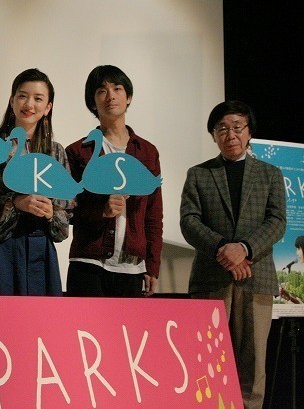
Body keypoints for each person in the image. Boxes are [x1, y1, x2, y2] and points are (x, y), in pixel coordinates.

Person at [180, 100, 286, 408]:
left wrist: (245, 249)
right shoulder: (199, 174)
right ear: (214, 135)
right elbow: (189, 220)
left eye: (237, 127)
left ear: (249, 132)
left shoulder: (270, 174)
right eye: (222, 128)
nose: (230, 135)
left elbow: (277, 220)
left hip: (257, 277)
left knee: (253, 364)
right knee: (208, 359)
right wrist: (222, 249)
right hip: (211, 277)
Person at [65, 65, 163, 297]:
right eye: (101, 91)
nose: (110, 96)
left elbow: (153, 214)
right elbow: (68, 210)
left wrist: (152, 266)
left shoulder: (147, 152)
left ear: (128, 97)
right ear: (92, 102)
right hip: (88, 262)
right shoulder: (78, 151)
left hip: (131, 267)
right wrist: (102, 211)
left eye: (117, 89)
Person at [0, 68, 71, 296]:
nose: (29, 104)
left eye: (38, 98)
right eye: (22, 96)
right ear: (12, 100)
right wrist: (15, 204)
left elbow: (65, 224)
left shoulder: (56, 153)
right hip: (1, 250)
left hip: (41, 251)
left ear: (48, 107)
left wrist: (51, 213)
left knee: (41, 317)